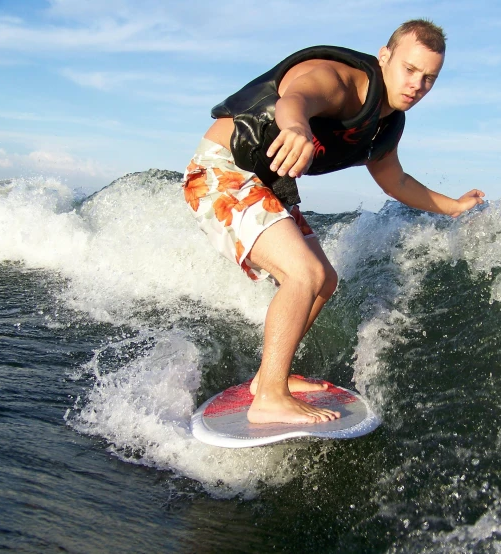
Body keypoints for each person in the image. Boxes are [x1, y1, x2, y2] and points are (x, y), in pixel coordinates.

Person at [182, 19, 485, 425]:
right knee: (302, 273)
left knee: (323, 280)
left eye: (429, 78)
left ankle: (265, 380)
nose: (417, 85)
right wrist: (295, 126)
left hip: (265, 185)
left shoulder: (386, 121)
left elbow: (394, 180)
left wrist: (453, 207)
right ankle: (270, 397)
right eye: (409, 70)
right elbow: (297, 96)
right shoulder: (341, 81)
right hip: (222, 172)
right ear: (385, 57)